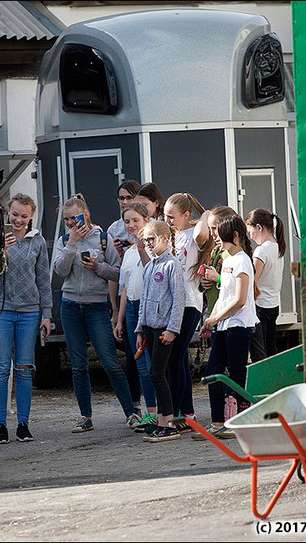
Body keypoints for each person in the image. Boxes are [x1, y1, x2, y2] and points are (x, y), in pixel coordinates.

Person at [52, 193, 139, 432]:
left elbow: (118, 273)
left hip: (96, 307)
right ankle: (85, 416)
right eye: (66, 219)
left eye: (74, 217)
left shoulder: (103, 238)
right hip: (70, 307)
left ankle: (131, 411)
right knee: (78, 365)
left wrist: (98, 267)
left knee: (110, 361)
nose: (70, 223)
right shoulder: (63, 240)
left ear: (85, 214)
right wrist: (71, 244)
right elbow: (60, 271)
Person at [0, 193, 52, 444]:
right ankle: (0, 425)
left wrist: (47, 314)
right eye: (15, 214)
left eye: (24, 216)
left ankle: (23, 424)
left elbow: (43, 281)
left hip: (28, 311)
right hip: (1, 310)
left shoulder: (37, 242)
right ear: (8, 213)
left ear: (31, 217)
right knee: (1, 369)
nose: (18, 219)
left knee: (24, 368)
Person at [193, 215, 259, 440]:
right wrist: (210, 321)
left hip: (239, 325)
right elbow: (224, 296)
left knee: (236, 373)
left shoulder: (242, 260)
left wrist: (215, 318)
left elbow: (240, 300)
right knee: (213, 371)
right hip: (223, 324)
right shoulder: (227, 260)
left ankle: (237, 421)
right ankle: (217, 421)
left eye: (220, 235)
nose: (216, 239)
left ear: (236, 236)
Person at [163, 193, 212, 426]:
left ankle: (178, 412)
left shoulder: (192, 235)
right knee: (178, 358)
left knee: (175, 358)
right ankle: (187, 412)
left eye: (172, 217)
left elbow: (204, 228)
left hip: (189, 303)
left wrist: (200, 211)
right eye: (165, 216)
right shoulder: (171, 236)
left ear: (185, 215)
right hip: (173, 305)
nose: (168, 220)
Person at [134, 220, 186, 443]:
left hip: (164, 328)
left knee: (157, 373)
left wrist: (173, 329)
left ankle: (169, 422)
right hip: (149, 327)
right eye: (145, 240)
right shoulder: (150, 266)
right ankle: (162, 421)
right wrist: (139, 329)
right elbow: (144, 301)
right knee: (155, 373)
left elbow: (178, 300)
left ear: (165, 238)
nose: (148, 244)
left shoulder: (171, 265)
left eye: (151, 240)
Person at [112, 202, 157, 431]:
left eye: (135, 221)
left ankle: (157, 410)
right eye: (127, 221)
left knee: (152, 363)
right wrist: (119, 320)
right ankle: (148, 411)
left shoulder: (151, 248)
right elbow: (124, 289)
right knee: (139, 362)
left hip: (148, 308)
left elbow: (153, 274)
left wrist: (141, 248)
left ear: (146, 220)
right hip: (130, 308)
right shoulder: (128, 253)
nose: (131, 225)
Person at [106, 179, 142, 415]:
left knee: (147, 355)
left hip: (144, 296)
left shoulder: (151, 228)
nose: (125, 202)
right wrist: (114, 309)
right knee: (131, 355)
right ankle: (135, 405)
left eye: (129, 197)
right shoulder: (112, 229)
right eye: (121, 198)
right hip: (124, 293)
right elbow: (113, 272)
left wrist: (136, 247)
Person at [245, 208, 286, 363]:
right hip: (273, 304)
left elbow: (251, 280)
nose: (251, 236)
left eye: (251, 231)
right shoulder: (278, 246)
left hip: (259, 306)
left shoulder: (261, 251)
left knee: (259, 353)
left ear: (259, 227)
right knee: (271, 350)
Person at [199, 206, 238, 318]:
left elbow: (238, 286)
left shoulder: (234, 254)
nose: (212, 233)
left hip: (227, 314)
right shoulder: (215, 250)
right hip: (212, 311)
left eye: (215, 228)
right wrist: (204, 282)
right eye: (209, 228)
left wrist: (218, 278)